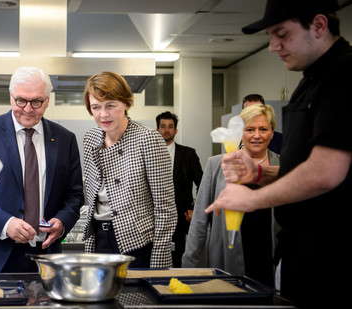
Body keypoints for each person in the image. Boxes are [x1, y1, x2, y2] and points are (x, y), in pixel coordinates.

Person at [205, 0, 351, 307]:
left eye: (282, 34)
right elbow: (303, 165)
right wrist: (259, 174)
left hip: (334, 253)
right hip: (303, 250)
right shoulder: (309, 81)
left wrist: (253, 198)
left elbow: (326, 171)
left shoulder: (344, 76)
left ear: (319, 25)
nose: (273, 46)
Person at [0, 66, 84, 273]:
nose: (28, 109)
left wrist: (62, 221)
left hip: (44, 257)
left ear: (47, 101)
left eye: (36, 102)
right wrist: (6, 224)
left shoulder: (65, 139)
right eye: (21, 101)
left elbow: (75, 194)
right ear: (11, 97)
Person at [82, 71, 177, 268]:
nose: (103, 114)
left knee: (136, 298)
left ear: (126, 103)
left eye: (110, 105)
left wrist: (159, 261)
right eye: (96, 107)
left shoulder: (148, 139)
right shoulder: (90, 138)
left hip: (137, 242)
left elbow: (165, 207)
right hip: (99, 238)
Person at [182, 104, 279, 287]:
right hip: (228, 257)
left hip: (268, 256)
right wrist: (189, 267)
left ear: (272, 132)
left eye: (263, 129)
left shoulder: (282, 166)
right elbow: (199, 222)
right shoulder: (217, 165)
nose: (257, 135)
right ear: (241, 132)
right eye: (250, 129)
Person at [155, 111, 203, 268]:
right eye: (163, 127)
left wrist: (194, 210)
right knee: (153, 261)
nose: (166, 130)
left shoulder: (188, 154)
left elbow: (202, 184)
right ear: (157, 130)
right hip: (152, 218)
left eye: (170, 127)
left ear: (175, 130)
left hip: (179, 218)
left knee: (177, 261)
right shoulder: (149, 154)